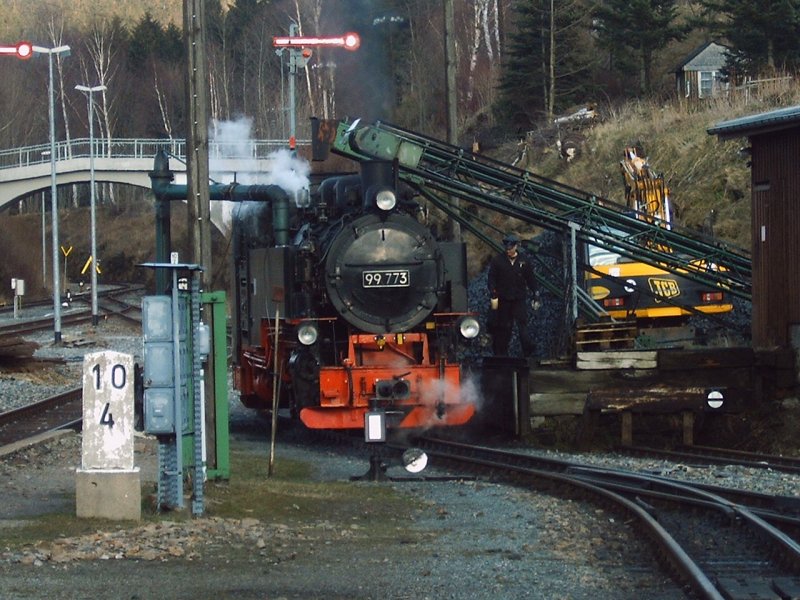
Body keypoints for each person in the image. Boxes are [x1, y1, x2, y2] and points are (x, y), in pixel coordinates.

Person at [487, 233, 540, 357]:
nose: (508, 251)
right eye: (507, 248)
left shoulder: (524, 261)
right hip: (503, 299)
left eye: (510, 248)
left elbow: (531, 279)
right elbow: (492, 278)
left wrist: (535, 293)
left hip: (519, 298)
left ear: (516, 246)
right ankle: (502, 353)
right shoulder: (497, 261)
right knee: (504, 326)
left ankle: (527, 350)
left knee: (522, 324)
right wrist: (492, 290)